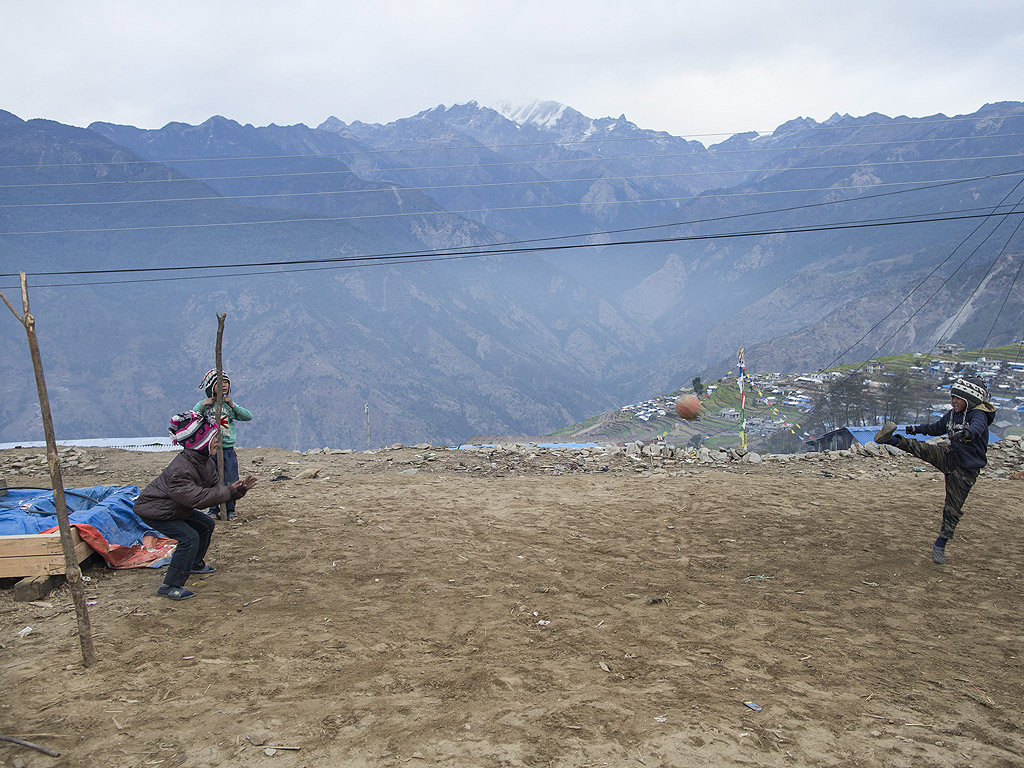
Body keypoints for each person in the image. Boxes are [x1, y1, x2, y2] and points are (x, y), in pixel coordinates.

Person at [134, 411, 258, 600]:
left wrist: (237, 490)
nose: (217, 442)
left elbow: (216, 490)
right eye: (213, 439)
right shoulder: (181, 469)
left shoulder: (205, 463)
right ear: (200, 443)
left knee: (206, 524)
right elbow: (197, 499)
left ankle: (193, 564)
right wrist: (228, 490)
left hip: (174, 507)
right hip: (156, 511)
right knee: (189, 537)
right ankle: (170, 585)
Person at [874, 377, 996, 565]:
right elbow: (935, 428)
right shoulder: (952, 414)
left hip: (965, 471)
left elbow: (978, 429)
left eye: (958, 398)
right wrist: (913, 429)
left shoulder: (977, 414)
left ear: (970, 400)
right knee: (923, 450)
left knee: (952, 509)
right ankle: (891, 440)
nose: (953, 401)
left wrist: (966, 433)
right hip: (949, 456)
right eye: (952, 397)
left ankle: (941, 543)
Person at [194, 369, 253, 521]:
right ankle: (213, 508)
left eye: (226, 382)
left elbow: (248, 416)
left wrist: (233, 406)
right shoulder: (206, 407)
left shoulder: (228, 407)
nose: (224, 385)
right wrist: (202, 405)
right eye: (219, 383)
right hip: (211, 450)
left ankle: (230, 509)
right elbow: (193, 417)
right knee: (211, 478)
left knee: (231, 479)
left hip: (227, 449)